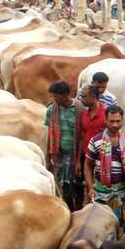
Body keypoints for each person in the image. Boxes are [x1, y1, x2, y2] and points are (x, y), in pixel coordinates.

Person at [84, 105, 125, 226]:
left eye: (118, 121)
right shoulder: (95, 141)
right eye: (111, 121)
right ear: (105, 120)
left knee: (124, 226)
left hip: (122, 194)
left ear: (122, 121)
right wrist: (90, 187)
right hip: (101, 193)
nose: (114, 125)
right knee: (99, 225)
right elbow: (87, 165)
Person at [45, 81, 83, 210]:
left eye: (56, 96)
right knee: (64, 185)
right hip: (60, 155)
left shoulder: (80, 108)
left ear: (65, 95)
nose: (54, 99)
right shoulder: (51, 110)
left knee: (78, 185)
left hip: (77, 154)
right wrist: (48, 157)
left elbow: (83, 135)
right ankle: (69, 209)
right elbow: (49, 134)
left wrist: (79, 160)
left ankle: (79, 209)